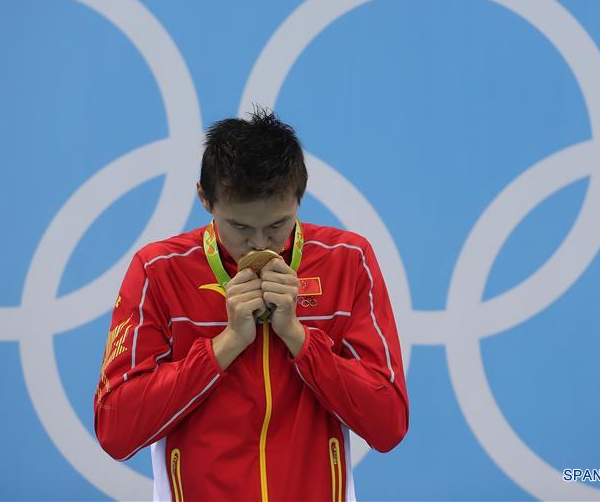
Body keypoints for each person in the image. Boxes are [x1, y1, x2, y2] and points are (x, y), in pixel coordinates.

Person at [94, 108, 409, 501]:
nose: (260, 244)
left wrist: (299, 338)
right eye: (240, 227)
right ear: (204, 199)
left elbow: (388, 425)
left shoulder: (347, 260)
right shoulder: (159, 270)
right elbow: (116, 431)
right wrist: (223, 346)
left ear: (300, 198)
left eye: (278, 225)